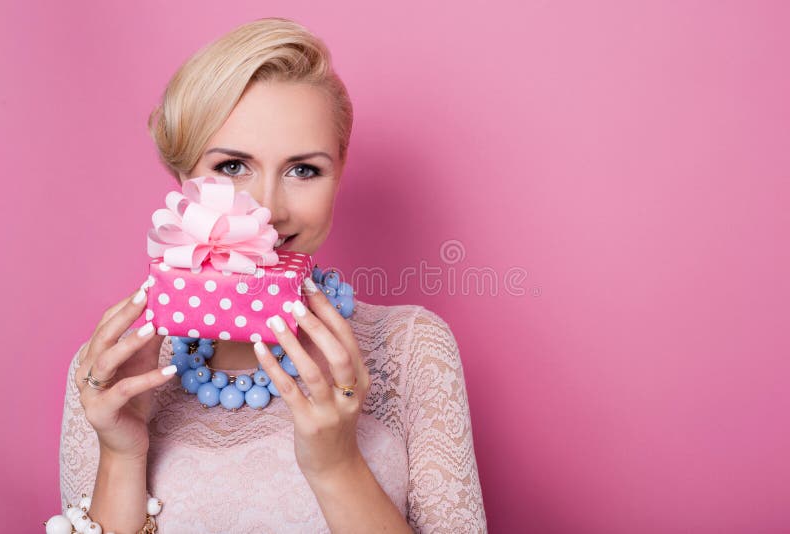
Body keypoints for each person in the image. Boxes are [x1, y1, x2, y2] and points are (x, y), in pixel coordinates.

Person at [57, 17, 487, 533]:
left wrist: (337, 466)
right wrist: (121, 455)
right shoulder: (114, 371)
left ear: (339, 174)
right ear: (182, 177)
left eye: (303, 170)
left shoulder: (410, 348)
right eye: (233, 167)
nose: (266, 211)